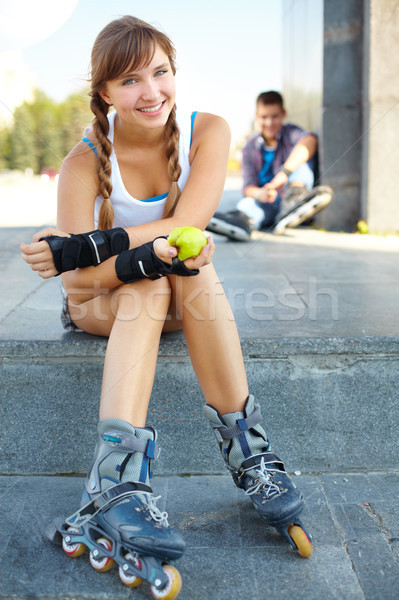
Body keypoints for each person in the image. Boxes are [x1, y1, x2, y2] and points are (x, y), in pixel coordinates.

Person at [20, 17, 312, 598]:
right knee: (156, 278)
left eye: (160, 72)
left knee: (190, 264)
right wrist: (132, 262)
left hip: (179, 289)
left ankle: (248, 451)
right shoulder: (83, 164)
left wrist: (93, 245)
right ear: (105, 93)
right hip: (102, 304)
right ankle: (114, 480)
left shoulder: (209, 132)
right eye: (130, 81)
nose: (150, 92)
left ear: (174, 72)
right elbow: (78, 288)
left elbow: (188, 226)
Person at [207, 90, 333, 240]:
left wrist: (283, 174)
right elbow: (248, 187)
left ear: (283, 114)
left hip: (289, 191)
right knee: (249, 204)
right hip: (268, 201)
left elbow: (310, 141)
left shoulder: (291, 133)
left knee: (301, 163)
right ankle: (242, 222)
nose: (269, 123)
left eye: (274, 117)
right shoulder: (249, 147)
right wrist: (261, 194)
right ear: (256, 116)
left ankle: (295, 202)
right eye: (264, 117)